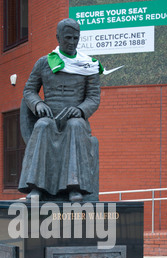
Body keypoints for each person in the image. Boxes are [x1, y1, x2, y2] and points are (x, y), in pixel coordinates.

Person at [18, 18, 102, 202]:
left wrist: (80, 110)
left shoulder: (88, 65)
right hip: (50, 118)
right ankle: (36, 188)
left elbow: (94, 97)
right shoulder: (44, 63)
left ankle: (75, 188)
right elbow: (29, 90)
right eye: (67, 38)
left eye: (75, 38)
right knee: (42, 126)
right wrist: (38, 104)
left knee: (75, 126)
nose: (72, 42)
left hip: (76, 119)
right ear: (58, 37)